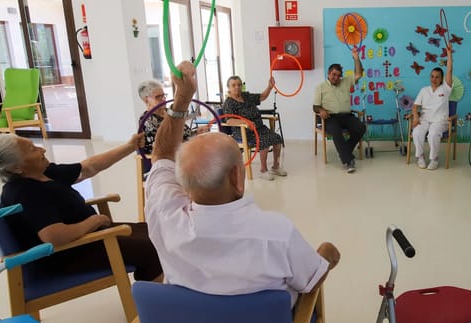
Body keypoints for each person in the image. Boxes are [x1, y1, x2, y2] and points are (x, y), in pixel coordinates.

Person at [145, 61, 340, 305]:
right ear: (238, 177)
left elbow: (161, 156)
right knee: (324, 255)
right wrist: (327, 255)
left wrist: (182, 97)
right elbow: (310, 280)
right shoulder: (277, 233)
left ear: (183, 184)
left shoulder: (164, 217)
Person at [0, 133, 162, 282]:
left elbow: (89, 167)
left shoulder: (42, 173)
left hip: (90, 239)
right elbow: (54, 237)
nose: (42, 149)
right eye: (32, 149)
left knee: (157, 233)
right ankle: (155, 310)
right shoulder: (24, 192)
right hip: (69, 253)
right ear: (16, 168)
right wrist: (94, 220)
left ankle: (156, 295)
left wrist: (130, 147)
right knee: (153, 248)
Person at [222, 75, 286, 181]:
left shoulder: (246, 96)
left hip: (259, 128)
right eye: (233, 85)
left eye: (239, 84)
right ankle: (263, 170)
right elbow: (229, 120)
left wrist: (269, 87)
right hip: (243, 131)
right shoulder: (229, 102)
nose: (237, 87)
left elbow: (261, 97)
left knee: (277, 138)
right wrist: (245, 122)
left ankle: (275, 167)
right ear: (228, 87)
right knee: (263, 141)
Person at [313, 46, 365, 173]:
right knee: (336, 131)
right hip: (330, 117)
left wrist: (356, 59)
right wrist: (321, 110)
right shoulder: (320, 87)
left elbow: (358, 74)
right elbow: (315, 106)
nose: (336, 78)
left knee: (361, 127)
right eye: (333, 75)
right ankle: (348, 161)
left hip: (347, 116)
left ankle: (343, 152)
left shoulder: (346, 81)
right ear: (328, 73)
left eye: (338, 75)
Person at [410, 46, 453, 170]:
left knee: (433, 134)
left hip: (440, 120)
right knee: (417, 132)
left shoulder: (446, 88)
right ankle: (420, 157)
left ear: (441, 78)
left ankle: (434, 159)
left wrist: (449, 55)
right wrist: (416, 117)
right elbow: (415, 106)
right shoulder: (424, 90)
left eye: (437, 77)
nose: (434, 79)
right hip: (425, 119)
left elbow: (449, 70)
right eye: (432, 76)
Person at [137, 79, 200, 155]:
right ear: (146, 100)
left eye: (163, 95)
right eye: (158, 97)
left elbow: (184, 132)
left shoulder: (169, 112)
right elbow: (164, 146)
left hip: (185, 151)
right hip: (170, 158)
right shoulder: (147, 120)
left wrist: (196, 133)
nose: (163, 99)